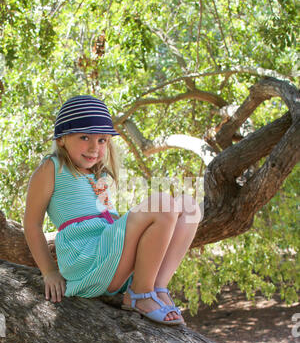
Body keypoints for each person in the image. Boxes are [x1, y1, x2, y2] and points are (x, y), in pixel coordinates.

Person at [24, 95, 202, 326]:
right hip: (86, 257)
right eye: (85, 137)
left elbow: (109, 219)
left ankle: (157, 286)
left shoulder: (100, 175)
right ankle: (141, 294)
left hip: (110, 255)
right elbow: (31, 224)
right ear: (61, 139)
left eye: (102, 140)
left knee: (189, 206)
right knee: (161, 202)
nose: (93, 147)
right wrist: (49, 271)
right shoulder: (51, 168)